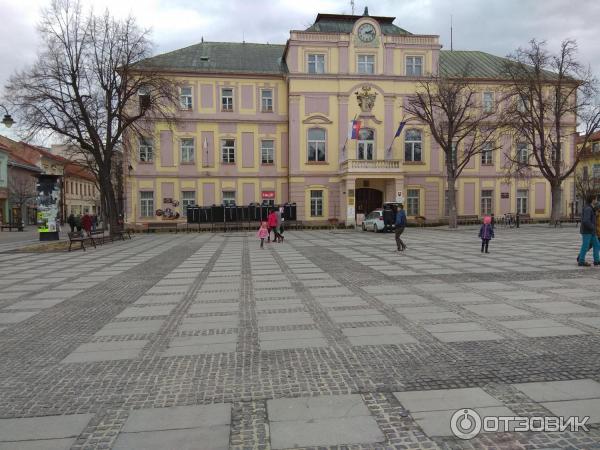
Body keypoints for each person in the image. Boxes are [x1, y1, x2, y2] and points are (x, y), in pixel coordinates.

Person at [577, 198, 600, 267]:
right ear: (592, 200)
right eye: (595, 199)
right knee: (585, 246)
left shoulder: (591, 208)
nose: (596, 201)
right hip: (587, 231)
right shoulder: (588, 209)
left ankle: (597, 260)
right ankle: (581, 261)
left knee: (597, 245)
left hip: (592, 231)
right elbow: (586, 221)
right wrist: (593, 227)